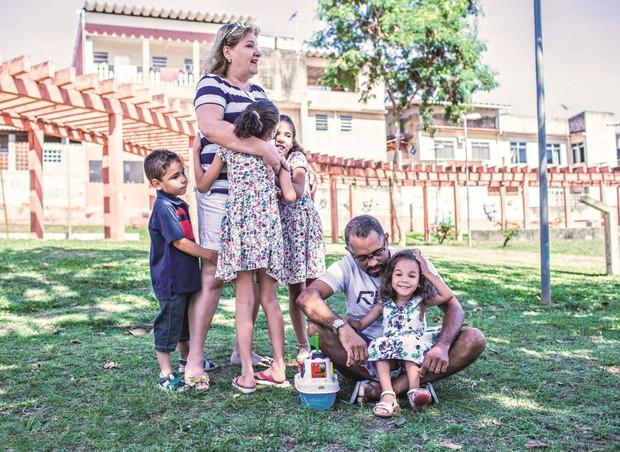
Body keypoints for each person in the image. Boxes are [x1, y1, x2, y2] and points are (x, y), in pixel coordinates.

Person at [296, 214, 486, 404]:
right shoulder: (344, 267)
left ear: (386, 239)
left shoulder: (409, 263)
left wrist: (442, 347)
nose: (372, 262)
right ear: (349, 251)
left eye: (377, 253)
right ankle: (402, 385)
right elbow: (307, 298)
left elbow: (454, 306)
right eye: (362, 258)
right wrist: (343, 328)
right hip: (366, 352)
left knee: (473, 338)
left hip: (414, 349)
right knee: (316, 330)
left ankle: (387, 389)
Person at [185, 22, 284, 386]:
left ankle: (240, 351)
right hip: (219, 193)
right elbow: (212, 127)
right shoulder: (212, 84)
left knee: (254, 278)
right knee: (213, 274)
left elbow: (265, 131)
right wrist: (265, 149)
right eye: (249, 45)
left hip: (254, 198)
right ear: (228, 51)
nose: (257, 52)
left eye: (257, 46)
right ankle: (194, 358)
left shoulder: (257, 90)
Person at [217, 99, 296, 393]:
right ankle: (278, 366)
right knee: (270, 300)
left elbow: (203, 184)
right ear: (272, 128)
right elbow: (288, 196)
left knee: (243, 303)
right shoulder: (274, 155)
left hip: (240, 228)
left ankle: (247, 374)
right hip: (267, 228)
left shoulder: (229, 148)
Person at [349, 250, 453, 417]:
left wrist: (427, 272)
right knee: (379, 343)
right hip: (391, 354)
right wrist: (345, 321)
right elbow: (361, 324)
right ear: (390, 277)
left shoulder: (421, 301)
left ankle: (414, 392)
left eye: (412, 276)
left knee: (409, 344)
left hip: (413, 352)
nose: (404, 280)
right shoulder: (384, 303)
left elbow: (447, 295)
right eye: (399, 274)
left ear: (419, 282)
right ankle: (388, 394)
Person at [144, 149, 212, 392]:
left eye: (182, 173)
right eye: (175, 177)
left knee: (184, 323)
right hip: (171, 280)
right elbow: (179, 242)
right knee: (169, 325)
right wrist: (211, 255)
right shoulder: (163, 207)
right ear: (157, 183)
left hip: (185, 277)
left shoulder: (178, 203)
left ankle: (186, 361)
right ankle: (165, 373)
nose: (183, 179)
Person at [275, 115, 326, 362]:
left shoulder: (296, 159)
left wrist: (278, 170)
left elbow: (294, 191)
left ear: (294, 139)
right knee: (295, 292)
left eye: (287, 134)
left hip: (304, 230)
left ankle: (319, 343)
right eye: (276, 133)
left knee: (314, 290)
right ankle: (303, 344)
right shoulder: (266, 158)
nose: (281, 138)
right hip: (286, 232)